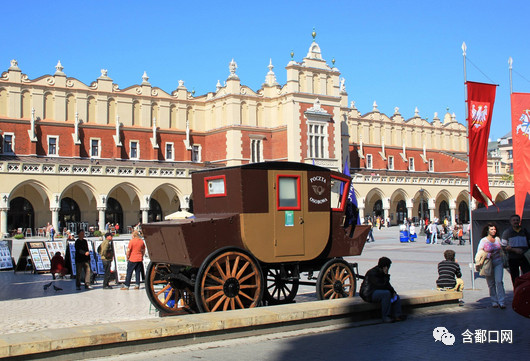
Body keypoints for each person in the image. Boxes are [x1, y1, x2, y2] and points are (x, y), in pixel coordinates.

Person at [360, 257, 405, 323]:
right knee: (386, 294)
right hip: (368, 293)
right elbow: (381, 285)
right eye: (388, 266)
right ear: (385, 266)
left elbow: (387, 285)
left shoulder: (382, 272)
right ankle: (386, 316)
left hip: (376, 291)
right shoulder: (372, 273)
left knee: (395, 296)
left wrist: (393, 292)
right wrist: (386, 275)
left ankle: (397, 315)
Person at [477, 223, 506, 309]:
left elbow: (501, 249)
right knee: (491, 283)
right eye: (492, 229)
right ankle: (494, 301)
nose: (494, 231)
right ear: (487, 230)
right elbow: (479, 253)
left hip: (498, 262)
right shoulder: (483, 241)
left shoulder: (497, 239)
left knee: (499, 281)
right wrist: (489, 255)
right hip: (488, 263)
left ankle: (502, 301)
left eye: (494, 229)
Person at [501, 214, 530, 286]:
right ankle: (517, 293)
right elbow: (503, 246)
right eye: (514, 220)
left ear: (519, 221)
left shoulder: (525, 231)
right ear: (510, 222)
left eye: (517, 220)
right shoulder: (507, 232)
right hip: (513, 258)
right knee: (515, 278)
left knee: (526, 277)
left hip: (524, 258)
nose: (515, 222)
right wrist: (514, 250)